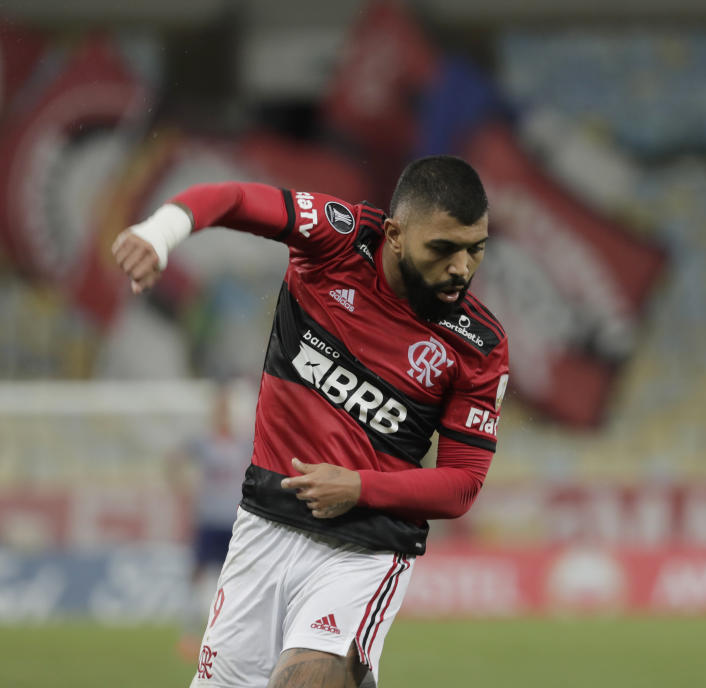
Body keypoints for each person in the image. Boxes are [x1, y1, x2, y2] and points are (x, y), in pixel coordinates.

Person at [112, 155, 509, 688]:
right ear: (394, 234)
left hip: (365, 549)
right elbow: (232, 199)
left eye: (475, 249)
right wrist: (160, 233)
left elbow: (462, 485)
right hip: (263, 525)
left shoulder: (477, 345)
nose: (461, 268)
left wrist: (360, 487)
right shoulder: (337, 238)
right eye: (442, 249)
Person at [168, 380, 253, 662]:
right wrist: (180, 487)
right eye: (219, 411)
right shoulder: (204, 442)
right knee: (198, 574)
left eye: (226, 411)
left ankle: (236, 635)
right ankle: (189, 633)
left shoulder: (242, 443)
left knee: (239, 577)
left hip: (234, 520)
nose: (223, 416)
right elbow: (175, 459)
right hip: (208, 519)